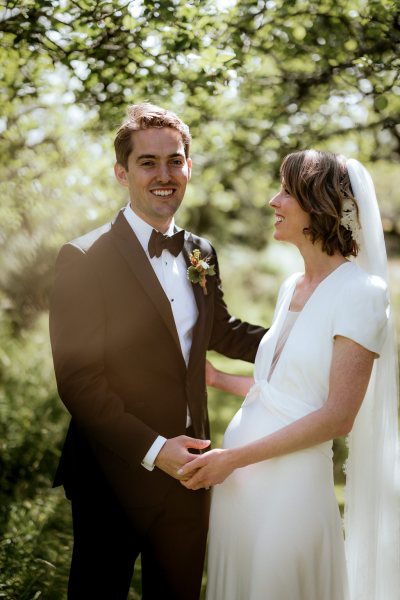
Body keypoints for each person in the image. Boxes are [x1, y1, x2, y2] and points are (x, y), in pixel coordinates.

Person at [49, 103, 266, 600]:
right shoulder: (84, 258)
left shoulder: (201, 253)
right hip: (113, 474)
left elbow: (222, 330)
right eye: (149, 162)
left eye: (176, 160)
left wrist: (308, 335)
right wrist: (154, 450)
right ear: (122, 172)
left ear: (189, 167)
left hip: (191, 468)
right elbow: (79, 382)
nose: (164, 174)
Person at [179, 150, 400, 600]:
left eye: (285, 191)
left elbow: (337, 415)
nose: (272, 201)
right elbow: (282, 391)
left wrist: (232, 459)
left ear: (317, 206)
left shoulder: (361, 292)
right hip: (242, 490)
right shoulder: (290, 287)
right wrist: (219, 379)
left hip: (290, 489)